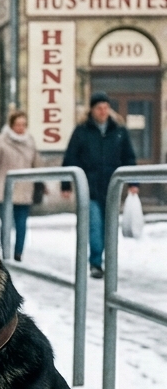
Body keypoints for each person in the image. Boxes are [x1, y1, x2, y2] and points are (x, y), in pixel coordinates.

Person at [61, 92, 138, 279]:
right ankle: (96, 262)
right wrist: (66, 185)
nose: (103, 111)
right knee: (94, 225)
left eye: (106, 107)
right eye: (99, 108)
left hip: (112, 187)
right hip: (89, 187)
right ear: (92, 110)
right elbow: (71, 157)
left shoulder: (119, 130)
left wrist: (133, 182)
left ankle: (109, 261)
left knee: (109, 226)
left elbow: (128, 157)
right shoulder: (82, 131)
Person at [0, 111, 41, 262]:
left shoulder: (30, 141)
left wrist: (43, 182)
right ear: (11, 125)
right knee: (6, 222)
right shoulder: (0, 141)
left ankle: (18, 253)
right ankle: (6, 252)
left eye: (23, 125)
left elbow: (36, 164)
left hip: (25, 188)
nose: (21, 128)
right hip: (4, 188)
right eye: (18, 124)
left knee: (22, 223)